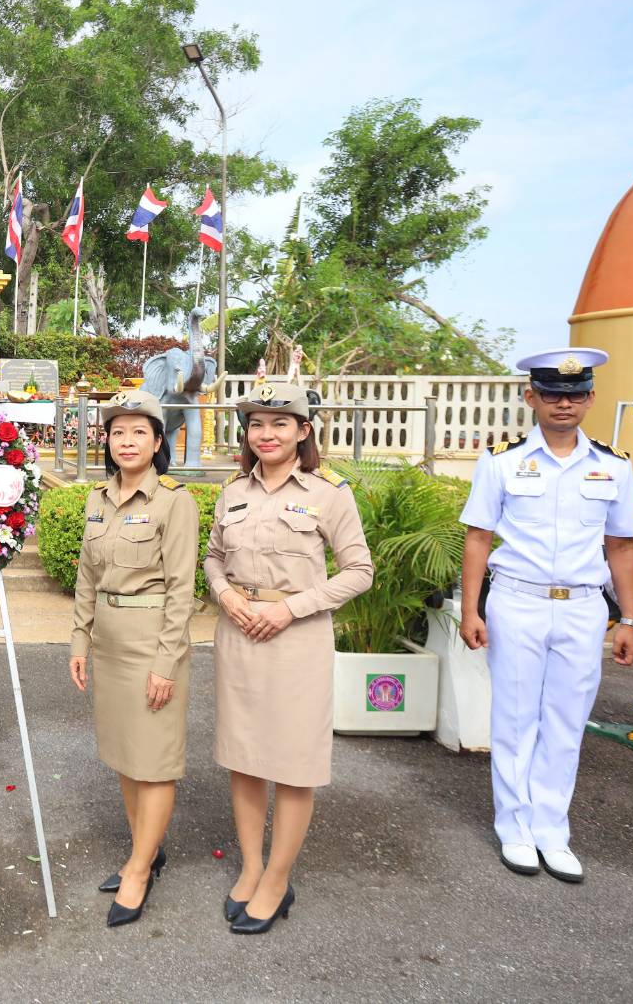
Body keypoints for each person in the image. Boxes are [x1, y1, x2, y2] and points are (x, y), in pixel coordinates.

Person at [458, 348, 633, 884]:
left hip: (584, 606)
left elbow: (622, 546)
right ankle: (514, 827)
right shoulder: (502, 460)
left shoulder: (613, 466)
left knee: (566, 720)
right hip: (518, 600)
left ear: (589, 398)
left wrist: (629, 619)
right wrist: (472, 608)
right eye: (553, 394)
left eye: (576, 394)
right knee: (516, 718)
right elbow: (478, 537)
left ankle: (552, 831)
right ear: (531, 397)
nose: (565, 404)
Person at [204, 381, 372, 935]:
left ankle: (278, 877)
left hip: (295, 637)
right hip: (238, 631)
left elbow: (358, 572)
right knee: (245, 755)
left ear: (304, 430)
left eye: (280, 423)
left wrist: (290, 609)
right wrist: (226, 596)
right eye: (256, 424)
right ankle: (251, 867)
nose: (267, 434)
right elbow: (212, 558)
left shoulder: (329, 492)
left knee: (294, 764)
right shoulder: (233, 491)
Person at [69, 388, 199, 928]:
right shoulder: (98, 499)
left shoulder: (174, 501)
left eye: (138, 432)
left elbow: (182, 590)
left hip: (152, 644)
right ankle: (145, 850)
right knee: (126, 755)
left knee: (155, 761)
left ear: (157, 440)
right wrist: (80, 638)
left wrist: (165, 664)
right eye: (117, 432)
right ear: (106, 440)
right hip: (111, 644)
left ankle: (139, 870)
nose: (127, 441)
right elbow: (86, 577)